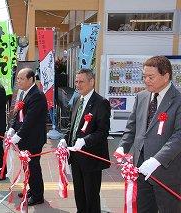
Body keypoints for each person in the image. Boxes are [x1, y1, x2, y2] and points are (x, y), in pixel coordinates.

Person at [115, 56, 181, 212]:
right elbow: (132, 126)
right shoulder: (142, 96)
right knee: (143, 208)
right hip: (141, 168)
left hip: (166, 170)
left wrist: (157, 160)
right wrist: (123, 146)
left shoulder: (178, 100)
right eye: (144, 76)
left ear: (166, 76)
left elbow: (179, 135)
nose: (146, 80)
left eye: (151, 77)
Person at [59, 68, 111, 213]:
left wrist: (85, 141)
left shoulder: (101, 103)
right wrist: (65, 139)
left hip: (91, 156)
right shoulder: (77, 99)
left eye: (81, 81)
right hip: (75, 155)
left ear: (92, 81)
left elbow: (103, 131)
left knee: (91, 194)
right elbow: (72, 124)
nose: (77, 84)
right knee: (79, 192)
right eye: (76, 81)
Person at [8, 67, 47, 206]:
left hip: (33, 138)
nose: (18, 81)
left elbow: (30, 119)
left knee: (33, 166)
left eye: (22, 78)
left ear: (31, 79)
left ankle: (38, 196)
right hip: (25, 137)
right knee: (27, 165)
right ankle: (32, 189)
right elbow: (18, 114)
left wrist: (18, 135)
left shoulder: (36, 95)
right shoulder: (24, 93)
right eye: (17, 78)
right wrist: (12, 128)